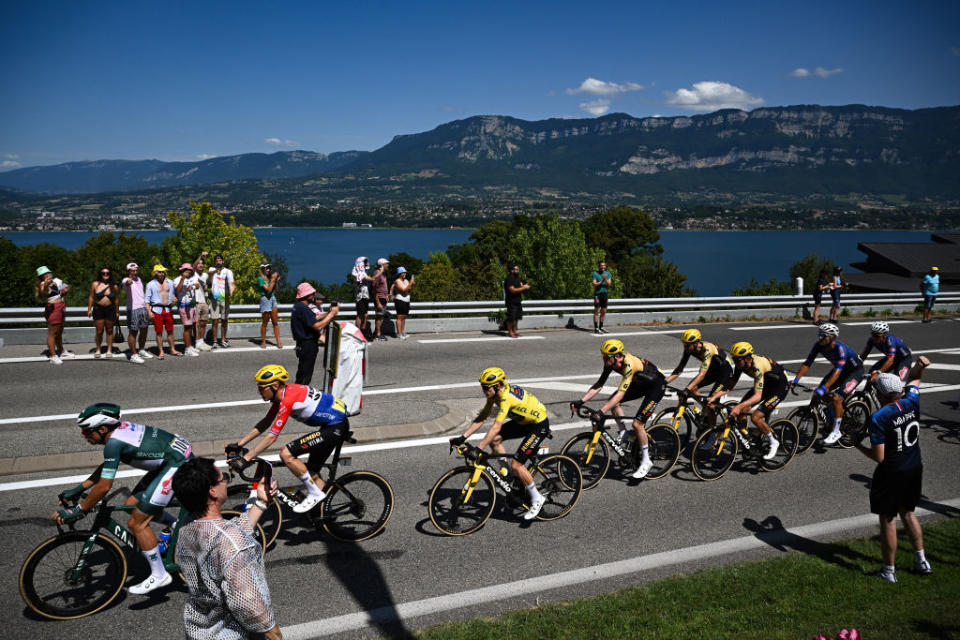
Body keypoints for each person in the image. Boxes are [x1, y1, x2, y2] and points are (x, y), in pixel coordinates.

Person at [55, 403, 192, 594]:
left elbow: (104, 487)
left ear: (102, 429)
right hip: (170, 459)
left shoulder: (113, 443)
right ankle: (179, 526)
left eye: (86, 431)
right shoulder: (117, 433)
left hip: (177, 464)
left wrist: (79, 510)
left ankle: (160, 574)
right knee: (131, 506)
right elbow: (109, 465)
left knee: (137, 523)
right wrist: (80, 488)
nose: (83, 435)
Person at [172, 457, 282, 640]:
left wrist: (261, 502)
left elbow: (228, 537)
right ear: (212, 491)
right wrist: (275, 634)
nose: (226, 482)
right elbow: (250, 605)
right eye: (223, 478)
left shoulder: (187, 526)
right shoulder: (231, 543)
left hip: (198, 630)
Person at [226, 365, 350, 514]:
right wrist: (239, 444)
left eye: (261, 388)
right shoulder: (281, 394)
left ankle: (315, 494)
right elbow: (267, 421)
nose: (259, 392)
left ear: (275, 385)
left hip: (335, 427)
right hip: (330, 425)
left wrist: (246, 458)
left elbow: (272, 437)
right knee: (311, 472)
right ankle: (323, 510)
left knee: (286, 453)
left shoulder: (287, 399)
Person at [853, 357, 933, 582]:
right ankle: (922, 560)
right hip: (914, 465)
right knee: (908, 513)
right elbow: (915, 379)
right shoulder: (911, 401)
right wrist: (920, 366)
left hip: (891, 472)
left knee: (888, 519)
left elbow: (879, 457)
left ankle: (888, 571)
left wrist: (857, 444)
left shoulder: (879, 417)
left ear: (880, 395)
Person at [449, 367, 549, 520]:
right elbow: (482, 417)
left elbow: (496, 426)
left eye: (485, 387)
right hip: (523, 422)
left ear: (497, 386)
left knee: (517, 464)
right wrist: (462, 437)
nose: (483, 390)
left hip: (538, 425)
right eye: (482, 387)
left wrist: (478, 449)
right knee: (495, 440)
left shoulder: (505, 398)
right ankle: (508, 473)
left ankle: (537, 498)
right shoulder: (494, 395)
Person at [572, 339, 666, 479]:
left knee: (637, 424)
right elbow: (599, 384)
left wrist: (600, 412)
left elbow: (621, 393)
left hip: (656, 385)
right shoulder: (611, 363)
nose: (603, 359)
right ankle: (624, 433)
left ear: (616, 356)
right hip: (641, 383)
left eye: (605, 356)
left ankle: (646, 461)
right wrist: (581, 401)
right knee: (613, 402)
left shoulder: (628, 364)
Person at [708, 342, 789, 460]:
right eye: (734, 360)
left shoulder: (757, 366)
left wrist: (738, 406)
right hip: (766, 385)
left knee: (755, 417)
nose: (735, 363)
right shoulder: (741, 365)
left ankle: (773, 441)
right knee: (743, 410)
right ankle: (746, 437)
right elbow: (730, 385)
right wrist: (714, 397)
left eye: (738, 360)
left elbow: (757, 396)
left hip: (779, 386)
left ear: (747, 359)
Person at [790, 323, 865, 445]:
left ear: (833, 338)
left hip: (854, 372)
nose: (820, 338)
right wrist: (796, 379)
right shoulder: (818, 345)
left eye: (823, 335)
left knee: (836, 398)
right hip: (840, 371)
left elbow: (837, 372)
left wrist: (825, 387)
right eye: (819, 335)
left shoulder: (840, 349)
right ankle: (833, 411)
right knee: (819, 394)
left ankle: (836, 431)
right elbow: (808, 363)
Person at [665, 328, 735, 428]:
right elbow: (680, 369)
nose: (685, 347)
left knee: (710, 403)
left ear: (696, 343)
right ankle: (706, 410)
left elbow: (701, 374)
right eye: (684, 344)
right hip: (712, 370)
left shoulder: (707, 349)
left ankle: (712, 435)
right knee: (692, 388)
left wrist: (686, 390)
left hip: (724, 372)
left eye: (687, 345)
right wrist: (665, 382)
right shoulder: (689, 349)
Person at [290, 283, 340, 385]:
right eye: (312, 293)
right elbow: (318, 326)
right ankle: (300, 395)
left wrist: (328, 312)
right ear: (306, 295)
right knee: (305, 374)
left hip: (304, 344)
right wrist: (332, 314)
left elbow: (315, 318)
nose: (314, 295)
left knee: (303, 372)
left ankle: (299, 392)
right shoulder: (303, 308)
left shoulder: (300, 306)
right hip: (307, 344)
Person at [35, 266, 73, 364]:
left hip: (61, 307)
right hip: (53, 308)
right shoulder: (43, 284)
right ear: (42, 276)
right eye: (45, 273)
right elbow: (44, 292)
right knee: (52, 333)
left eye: (49, 272)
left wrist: (64, 292)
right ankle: (53, 356)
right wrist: (47, 285)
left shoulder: (55, 282)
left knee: (59, 332)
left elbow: (58, 293)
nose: (48, 274)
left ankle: (62, 351)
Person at [145, 264, 180, 359]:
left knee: (170, 331)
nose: (161, 273)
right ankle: (161, 351)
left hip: (168, 309)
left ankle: (172, 349)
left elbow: (173, 294)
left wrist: (174, 298)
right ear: (155, 273)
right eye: (159, 272)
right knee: (159, 332)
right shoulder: (150, 284)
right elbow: (147, 300)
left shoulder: (170, 282)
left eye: (163, 271)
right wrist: (149, 312)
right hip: (157, 310)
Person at [121, 262, 152, 363]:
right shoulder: (126, 280)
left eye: (136, 270)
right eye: (132, 270)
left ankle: (141, 350)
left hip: (142, 307)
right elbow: (127, 283)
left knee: (144, 330)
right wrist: (129, 280)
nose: (135, 272)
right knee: (133, 331)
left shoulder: (139, 279)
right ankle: (134, 355)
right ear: (129, 271)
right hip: (133, 309)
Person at [86, 266, 120, 358]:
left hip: (110, 309)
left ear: (110, 274)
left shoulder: (114, 286)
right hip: (98, 309)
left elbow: (116, 300)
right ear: (100, 274)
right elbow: (91, 297)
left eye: (107, 273)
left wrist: (117, 311)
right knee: (99, 331)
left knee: (109, 330)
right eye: (103, 273)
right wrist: (89, 309)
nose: (105, 275)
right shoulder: (95, 284)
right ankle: (98, 349)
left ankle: (109, 349)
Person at [174, 263, 201, 357]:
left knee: (191, 326)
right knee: (187, 327)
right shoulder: (177, 279)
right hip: (184, 306)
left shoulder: (192, 278)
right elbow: (177, 290)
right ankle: (187, 348)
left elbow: (197, 285)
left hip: (192, 305)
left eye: (189, 271)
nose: (188, 272)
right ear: (182, 271)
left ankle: (189, 346)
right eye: (187, 271)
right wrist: (182, 279)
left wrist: (192, 287)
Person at [351, 256, 382, 339]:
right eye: (364, 263)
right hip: (360, 296)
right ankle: (358, 332)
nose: (365, 264)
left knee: (365, 314)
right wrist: (380, 272)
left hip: (365, 295)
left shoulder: (362, 272)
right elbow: (372, 279)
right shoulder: (356, 272)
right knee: (360, 314)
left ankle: (363, 330)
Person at [209, 254, 236, 348]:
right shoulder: (211, 269)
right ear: (214, 262)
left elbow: (232, 283)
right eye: (216, 260)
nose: (218, 261)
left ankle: (223, 339)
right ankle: (215, 341)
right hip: (214, 299)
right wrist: (215, 271)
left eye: (220, 260)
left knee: (224, 320)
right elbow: (209, 275)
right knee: (215, 320)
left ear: (223, 261)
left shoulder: (228, 271)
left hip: (225, 298)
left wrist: (232, 291)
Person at [257, 263, 283, 349]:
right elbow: (268, 290)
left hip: (272, 299)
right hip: (265, 299)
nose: (268, 270)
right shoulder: (260, 279)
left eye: (269, 268)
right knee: (265, 322)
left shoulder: (271, 279)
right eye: (266, 268)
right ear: (262, 269)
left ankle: (278, 341)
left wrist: (276, 281)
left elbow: (276, 290)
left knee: (275, 322)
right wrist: (273, 279)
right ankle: (263, 341)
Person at [191, 252, 213, 351]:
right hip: (195, 301)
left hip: (204, 301)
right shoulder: (193, 273)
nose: (200, 265)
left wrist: (207, 287)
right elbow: (193, 266)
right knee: (196, 323)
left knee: (203, 322)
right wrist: (200, 255)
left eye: (202, 263)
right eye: (199, 263)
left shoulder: (205, 275)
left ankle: (201, 341)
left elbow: (209, 285)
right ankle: (196, 342)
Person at [503, 263, 530, 339]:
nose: (518, 270)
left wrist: (525, 286)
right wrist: (524, 288)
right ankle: (510, 332)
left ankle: (515, 331)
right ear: (512, 270)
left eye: (518, 269)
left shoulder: (517, 277)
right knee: (511, 317)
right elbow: (512, 290)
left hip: (518, 301)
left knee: (516, 317)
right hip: (511, 301)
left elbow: (520, 285)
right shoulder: (509, 278)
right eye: (516, 269)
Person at [391, 267, 414, 340]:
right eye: (403, 272)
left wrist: (411, 285)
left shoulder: (406, 280)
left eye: (405, 272)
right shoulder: (397, 281)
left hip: (407, 300)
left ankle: (402, 332)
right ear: (399, 274)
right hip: (399, 300)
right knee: (399, 317)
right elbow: (404, 290)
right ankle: (399, 333)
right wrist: (410, 283)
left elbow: (409, 290)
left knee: (404, 317)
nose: (405, 274)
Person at [592, 260, 612, 334]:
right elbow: (594, 283)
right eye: (601, 265)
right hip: (597, 294)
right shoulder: (595, 273)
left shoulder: (608, 273)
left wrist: (605, 279)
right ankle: (596, 328)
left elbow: (609, 284)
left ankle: (601, 327)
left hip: (605, 294)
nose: (603, 267)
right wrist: (602, 281)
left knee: (604, 311)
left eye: (604, 265)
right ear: (599, 266)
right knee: (597, 311)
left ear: (605, 266)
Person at [372, 258, 390, 341]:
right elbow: (374, 289)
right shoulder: (377, 273)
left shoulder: (383, 274)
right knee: (379, 316)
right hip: (379, 298)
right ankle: (378, 335)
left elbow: (382, 287)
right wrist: (378, 302)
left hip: (383, 297)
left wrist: (386, 295)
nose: (388, 265)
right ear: (381, 265)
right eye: (386, 264)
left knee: (381, 316)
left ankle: (377, 332)